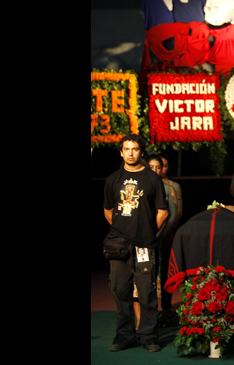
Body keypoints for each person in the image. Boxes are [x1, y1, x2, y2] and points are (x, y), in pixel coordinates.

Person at [103, 134, 169, 353]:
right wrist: (123, 231)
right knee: (120, 291)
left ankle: (148, 336)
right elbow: (108, 210)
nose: (130, 153)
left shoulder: (152, 178)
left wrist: (146, 233)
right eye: (126, 149)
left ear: (142, 152)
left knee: (147, 292)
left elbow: (162, 212)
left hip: (145, 245)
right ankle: (124, 336)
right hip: (118, 244)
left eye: (135, 149)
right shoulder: (113, 179)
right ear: (121, 152)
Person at [146, 153, 179, 328]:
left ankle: (166, 310)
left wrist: (159, 236)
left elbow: (173, 216)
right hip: (144, 239)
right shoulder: (141, 186)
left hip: (163, 236)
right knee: (145, 275)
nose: (155, 170)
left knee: (165, 272)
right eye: (151, 167)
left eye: (159, 167)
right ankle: (147, 316)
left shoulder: (169, 188)